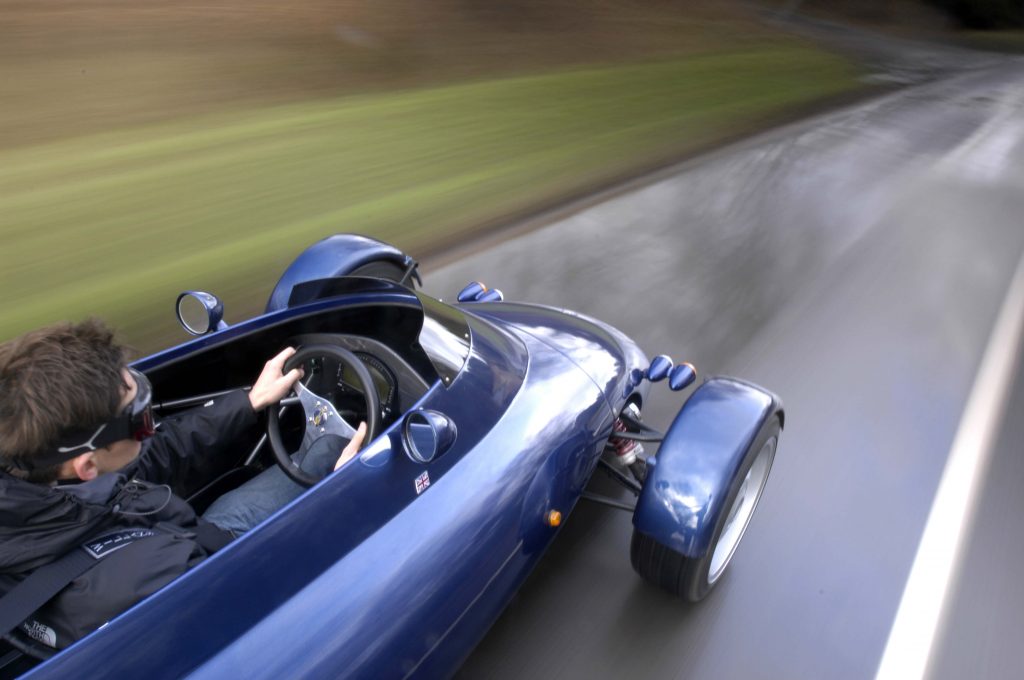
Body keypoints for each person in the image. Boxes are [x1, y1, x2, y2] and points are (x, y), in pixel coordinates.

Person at [0, 319, 364, 651]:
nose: (151, 426)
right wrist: (338, 496)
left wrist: (248, 402)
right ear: (86, 466)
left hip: (179, 552)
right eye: (140, 420)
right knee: (329, 454)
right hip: (221, 574)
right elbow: (273, 592)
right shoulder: (151, 578)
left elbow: (153, 455)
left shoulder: (40, 481)